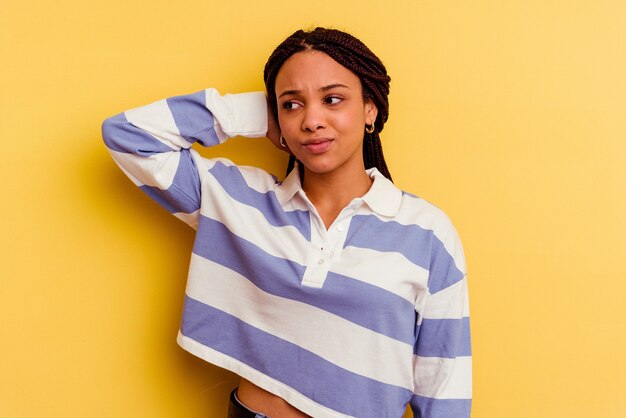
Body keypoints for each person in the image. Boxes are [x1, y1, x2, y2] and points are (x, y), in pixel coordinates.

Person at [102, 27, 471, 418]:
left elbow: (444, 380)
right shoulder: (239, 200)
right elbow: (127, 135)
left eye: (332, 99)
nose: (312, 120)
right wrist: (257, 112)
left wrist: (292, 103)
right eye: (292, 105)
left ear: (370, 109)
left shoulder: (427, 232)